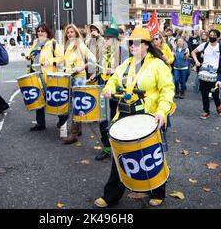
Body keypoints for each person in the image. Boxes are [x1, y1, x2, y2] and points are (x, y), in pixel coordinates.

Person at [94, 27, 175, 208]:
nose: (133, 47)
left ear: (146, 45)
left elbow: (167, 90)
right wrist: (108, 89)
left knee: (152, 154)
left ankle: (158, 191)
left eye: (137, 43)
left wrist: (162, 111)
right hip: (125, 115)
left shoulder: (158, 64)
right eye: (131, 43)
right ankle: (112, 195)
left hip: (149, 116)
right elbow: (113, 81)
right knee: (120, 155)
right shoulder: (126, 64)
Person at [59, 24, 96, 145]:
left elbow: (92, 58)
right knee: (74, 103)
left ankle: (73, 134)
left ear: (76, 33)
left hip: (79, 78)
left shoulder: (80, 44)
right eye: (68, 32)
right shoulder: (68, 45)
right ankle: (78, 129)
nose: (70, 34)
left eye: (72, 32)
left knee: (76, 104)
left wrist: (82, 67)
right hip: (71, 77)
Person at [25, 23, 64, 131]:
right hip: (35, 74)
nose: (40, 33)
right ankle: (40, 123)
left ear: (47, 32)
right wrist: (28, 57)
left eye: (42, 31)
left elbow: (61, 58)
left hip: (48, 76)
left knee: (51, 98)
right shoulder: (35, 42)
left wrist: (50, 61)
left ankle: (62, 116)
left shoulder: (53, 43)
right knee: (38, 99)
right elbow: (31, 55)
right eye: (38, 31)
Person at [95, 27, 121, 161]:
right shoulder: (102, 51)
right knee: (103, 118)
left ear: (115, 40)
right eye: (104, 38)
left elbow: (129, 70)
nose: (105, 40)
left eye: (108, 38)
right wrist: (95, 73)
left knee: (116, 119)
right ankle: (106, 148)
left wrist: (115, 70)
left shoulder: (123, 52)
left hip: (118, 90)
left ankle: (118, 148)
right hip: (103, 87)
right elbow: (99, 67)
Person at [191, 29, 221, 120]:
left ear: (218, 37)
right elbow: (193, 52)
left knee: (215, 95)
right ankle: (206, 111)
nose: (212, 37)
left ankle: (218, 106)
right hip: (203, 74)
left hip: (215, 76)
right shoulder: (204, 45)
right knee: (204, 95)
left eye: (214, 35)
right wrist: (197, 61)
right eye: (210, 35)